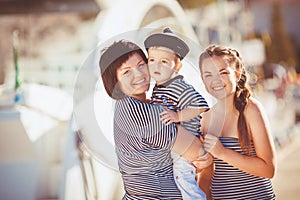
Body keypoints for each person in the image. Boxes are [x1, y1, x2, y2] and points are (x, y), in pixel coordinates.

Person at [99, 39, 212, 199]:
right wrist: (206, 163)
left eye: (141, 64)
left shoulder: (127, 104)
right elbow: (199, 153)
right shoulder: (141, 113)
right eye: (126, 72)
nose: (138, 74)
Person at [198, 45, 276, 199]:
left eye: (223, 72)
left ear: (237, 75)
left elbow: (268, 169)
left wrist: (222, 152)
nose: (216, 80)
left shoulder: (251, 110)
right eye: (208, 75)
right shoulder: (206, 118)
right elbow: (207, 175)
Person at [144, 27, 209, 200]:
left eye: (164, 62)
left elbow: (200, 105)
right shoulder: (159, 87)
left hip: (185, 145)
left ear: (177, 67)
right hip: (173, 146)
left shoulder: (178, 86)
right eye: (152, 60)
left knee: (184, 180)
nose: (156, 65)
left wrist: (177, 116)